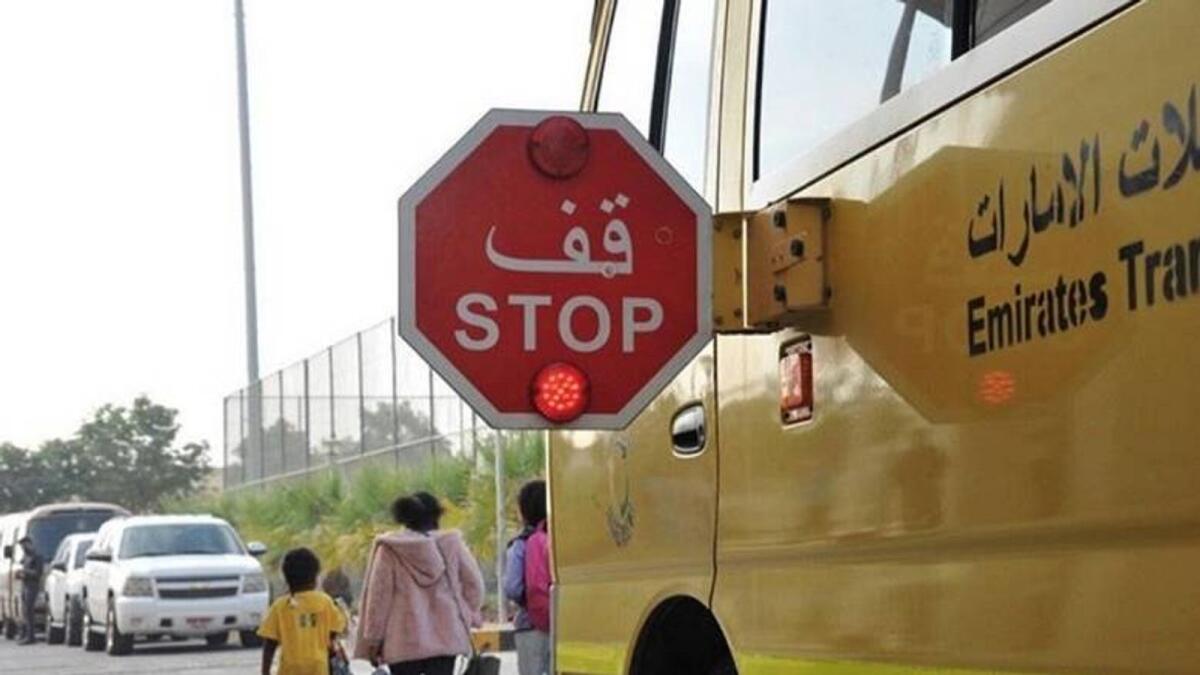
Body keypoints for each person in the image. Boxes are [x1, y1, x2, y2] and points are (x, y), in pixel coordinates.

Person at [355, 491, 485, 675]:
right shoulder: (452, 544)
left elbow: (379, 599)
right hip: (446, 638)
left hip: (402, 643)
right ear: (437, 515)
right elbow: (474, 585)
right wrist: (467, 613)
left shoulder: (390, 549)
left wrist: (373, 639)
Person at [259, 547, 348, 675]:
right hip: (319, 667)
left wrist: (265, 671)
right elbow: (336, 630)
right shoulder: (325, 602)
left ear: (286, 579)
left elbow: (269, 643)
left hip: (289, 669)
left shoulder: (279, 606)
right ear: (315, 577)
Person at [504, 480, 551, 675]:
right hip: (560, 622)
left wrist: (529, 600)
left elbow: (512, 587)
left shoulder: (520, 544)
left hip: (530, 624)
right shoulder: (559, 540)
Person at [14, 535, 43, 645]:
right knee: (25, 611)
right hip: (25, 585)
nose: (23, 548)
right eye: (22, 546)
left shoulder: (37, 556)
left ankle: (31, 636)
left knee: (29, 611)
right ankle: (25, 634)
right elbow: (23, 568)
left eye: (24, 545)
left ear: (30, 544)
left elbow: (38, 573)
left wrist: (25, 572)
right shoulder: (25, 556)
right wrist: (19, 574)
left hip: (32, 586)